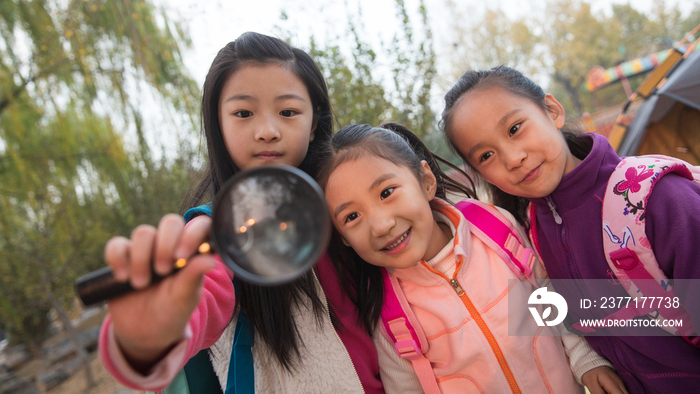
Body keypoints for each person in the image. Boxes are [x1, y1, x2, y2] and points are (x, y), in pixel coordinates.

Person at [97, 32, 416, 393]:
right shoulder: (211, 230)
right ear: (218, 124)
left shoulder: (345, 205)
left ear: (314, 123)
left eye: (288, 112)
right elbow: (196, 300)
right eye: (244, 113)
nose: (267, 131)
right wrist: (150, 332)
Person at [440, 65, 700, 393]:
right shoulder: (533, 230)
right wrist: (588, 362)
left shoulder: (657, 199)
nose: (512, 158)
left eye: (515, 128)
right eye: (487, 155)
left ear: (552, 111)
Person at [317, 122, 627, 394]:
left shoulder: (493, 228)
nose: (381, 225)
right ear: (343, 237)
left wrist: (585, 360)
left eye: (386, 192)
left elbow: (545, 297)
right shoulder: (389, 312)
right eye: (352, 216)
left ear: (425, 181)